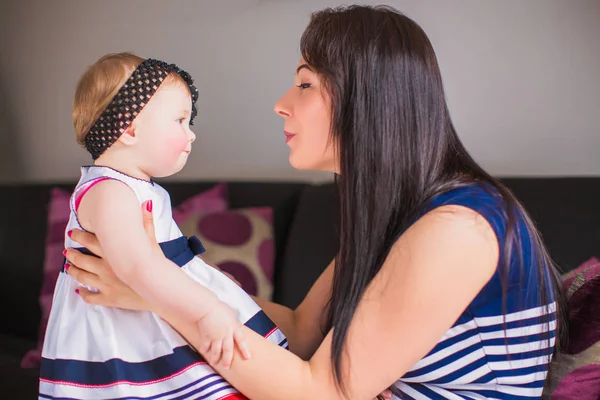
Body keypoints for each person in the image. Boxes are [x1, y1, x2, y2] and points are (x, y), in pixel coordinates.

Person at [64, 5, 566, 399]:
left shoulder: (456, 229)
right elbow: (305, 333)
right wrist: (171, 289)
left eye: (305, 83)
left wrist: (160, 299)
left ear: (366, 99)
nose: (281, 101)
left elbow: (319, 392)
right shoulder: (403, 215)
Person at [40, 53, 288, 400]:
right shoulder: (108, 191)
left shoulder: (137, 187)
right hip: (127, 339)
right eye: (180, 120)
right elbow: (140, 267)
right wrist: (208, 308)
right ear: (129, 127)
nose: (192, 135)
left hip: (155, 320)